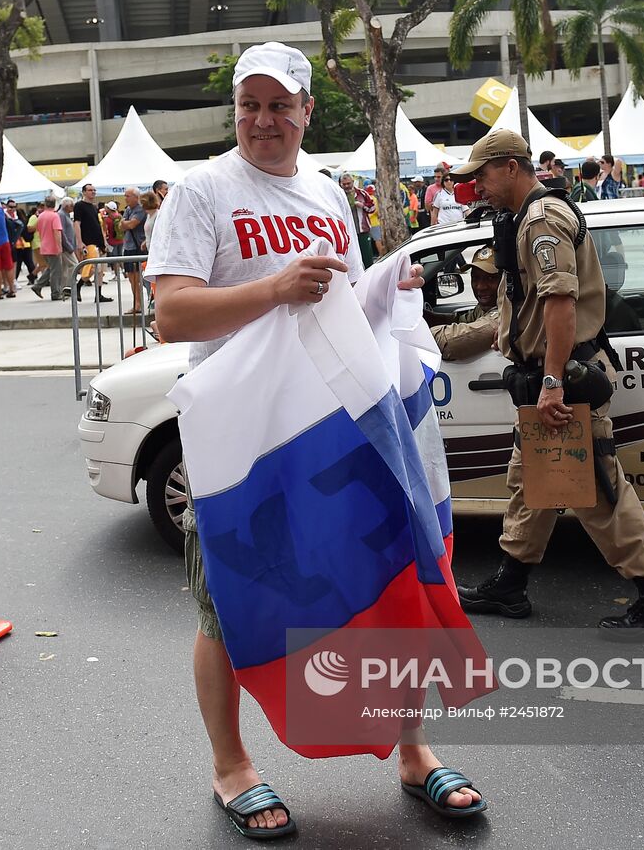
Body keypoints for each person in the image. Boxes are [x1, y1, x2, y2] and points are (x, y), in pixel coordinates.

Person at [146, 41, 482, 838]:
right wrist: (272, 288)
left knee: (387, 578)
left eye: (278, 105)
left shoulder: (329, 193)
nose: (263, 119)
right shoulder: (203, 192)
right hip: (242, 444)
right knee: (227, 605)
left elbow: (343, 308)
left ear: (305, 111)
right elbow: (172, 313)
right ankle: (233, 769)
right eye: (248, 105)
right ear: (236, 111)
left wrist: (386, 290)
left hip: (334, 430)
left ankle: (413, 750)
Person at [450, 126, 644, 633]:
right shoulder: (526, 217)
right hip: (544, 379)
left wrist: (553, 381)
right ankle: (511, 584)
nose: (478, 187)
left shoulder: (541, 220)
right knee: (531, 483)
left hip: (560, 382)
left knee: (598, 493)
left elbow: (560, 302)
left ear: (511, 167)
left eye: (483, 175)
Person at [429, 245, 501, 361]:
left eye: (490, 278)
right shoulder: (488, 306)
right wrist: (427, 316)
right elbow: (461, 320)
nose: (480, 286)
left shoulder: (502, 315)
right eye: (476, 278)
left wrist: (415, 336)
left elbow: (449, 342)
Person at [73, 184, 110, 302]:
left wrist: (104, 242)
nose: (93, 192)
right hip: (88, 242)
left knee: (100, 270)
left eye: (94, 190)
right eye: (90, 190)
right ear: (84, 192)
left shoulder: (94, 207)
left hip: (98, 241)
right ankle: (78, 286)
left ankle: (98, 295)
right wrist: (80, 242)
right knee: (92, 267)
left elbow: (98, 225)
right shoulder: (79, 206)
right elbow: (77, 223)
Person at [31, 198, 66, 299]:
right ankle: (55, 293)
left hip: (44, 245)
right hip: (53, 247)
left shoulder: (41, 216)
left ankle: (38, 286)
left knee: (51, 268)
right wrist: (59, 247)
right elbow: (57, 232)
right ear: (54, 204)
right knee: (56, 271)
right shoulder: (55, 216)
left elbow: (38, 229)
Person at [121, 187, 148, 314]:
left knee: (137, 277)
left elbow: (132, 224)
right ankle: (136, 303)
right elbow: (120, 225)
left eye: (127, 196)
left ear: (135, 197)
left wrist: (125, 223)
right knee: (131, 277)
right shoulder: (127, 210)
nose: (125, 198)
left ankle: (139, 303)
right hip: (128, 246)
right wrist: (125, 223)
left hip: (138, 247)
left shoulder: (140, 209)